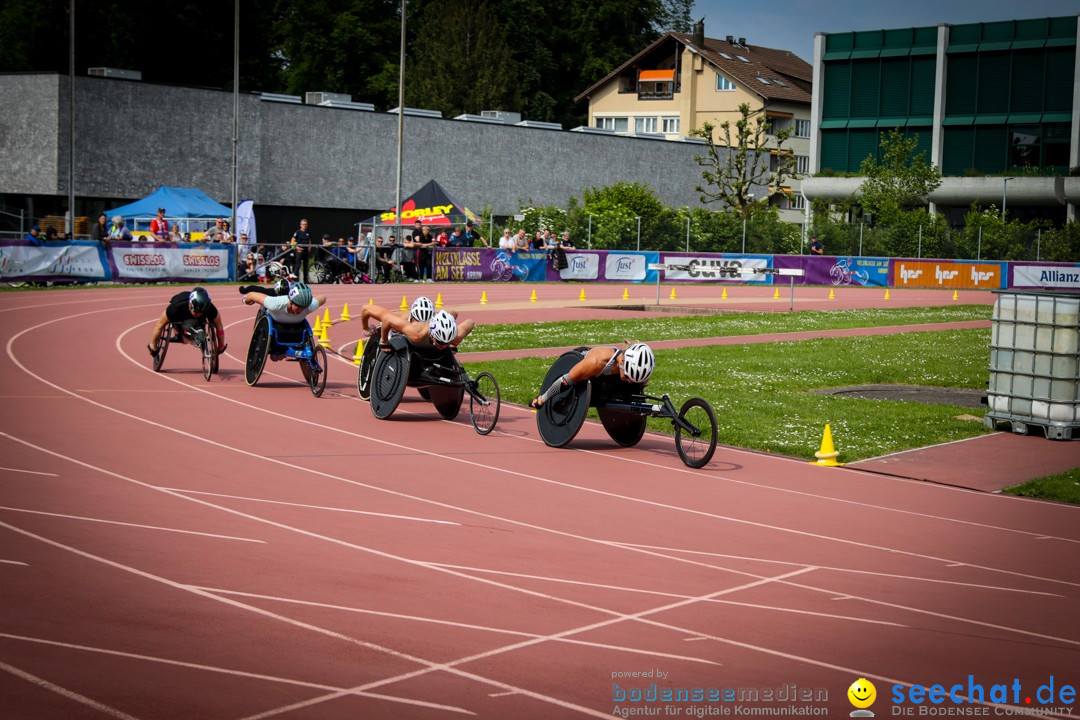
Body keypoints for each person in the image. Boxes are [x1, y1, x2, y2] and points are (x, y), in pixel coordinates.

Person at [530, 342, 655, 409]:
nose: (629, 381)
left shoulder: (638, 365)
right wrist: (542, 399)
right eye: (628, 377)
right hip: (582, 363)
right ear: (622, 362)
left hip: (606, 374)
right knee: (571, 380)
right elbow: (564, 381)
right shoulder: (595, 363)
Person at [148, 287, 226, 357]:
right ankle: (178, 334)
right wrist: (153, 346)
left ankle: (196, 335)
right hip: (180, 318)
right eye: (196, 312)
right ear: (190, 305)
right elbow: (159, 326)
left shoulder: (211, 309)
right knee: (181, 333)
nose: (198, 314)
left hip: (198, 323)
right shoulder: (176, 307)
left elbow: (219, 327)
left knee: (198, 326)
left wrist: (221, 346)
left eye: (201, 312)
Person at [242, 281, 325, 325]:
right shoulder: (275, 303)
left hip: (295, 328)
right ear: (291, 302)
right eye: (299, 307)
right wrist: (246, 300)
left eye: (303, 308)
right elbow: (252, 295)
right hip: (274, 322)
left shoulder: (308, 306)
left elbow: (323, 298)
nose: (301, 310)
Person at [291, 218, 311, 283]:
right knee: (298, 265)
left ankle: (305, 280)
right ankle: (295, 279)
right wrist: (297, 248)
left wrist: (309, 248)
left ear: (307, 225)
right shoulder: (297, 232)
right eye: (303, 224)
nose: (304, 225)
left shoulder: (308, 233)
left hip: (306, 251)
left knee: (306, 266)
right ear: (300, 225)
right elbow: (292, 241)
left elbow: (310, 241)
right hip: (299, 250)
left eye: (305, 224)